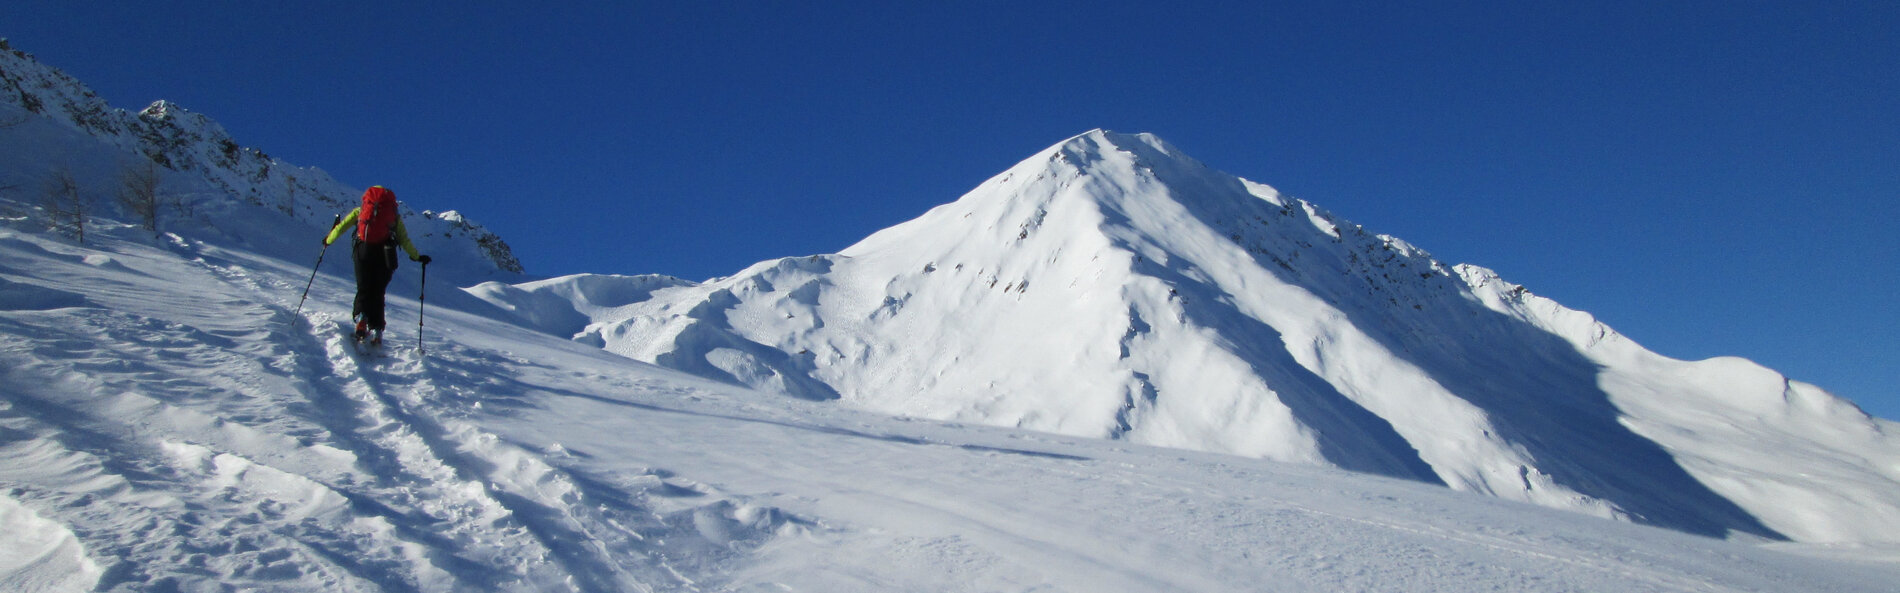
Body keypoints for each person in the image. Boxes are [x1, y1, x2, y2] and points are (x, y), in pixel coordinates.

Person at [323, 186, 431, 344]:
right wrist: (417, 257)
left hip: (363, 251)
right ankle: (377, 330)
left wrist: (327, 241)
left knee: (364, 287)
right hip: (385, 255)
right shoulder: (394, 217)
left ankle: (361, 318)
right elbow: (404, 240)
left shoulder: (359, 212)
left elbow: (340, 228)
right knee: (378, 291)